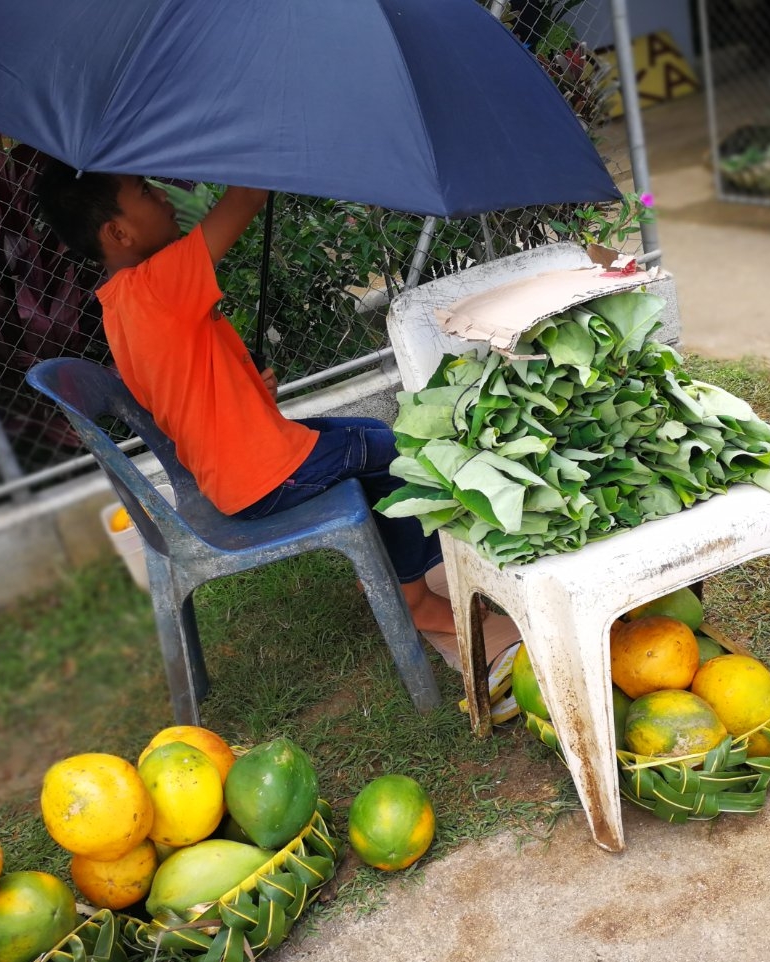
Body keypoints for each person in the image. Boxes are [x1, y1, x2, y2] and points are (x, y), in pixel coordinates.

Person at [31, 162, 456, 635]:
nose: (166, 195)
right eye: (145, 192)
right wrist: (262, 145)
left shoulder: (122, 303)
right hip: (268, 477)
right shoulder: (158, 283)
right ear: (117, 232)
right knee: (402, 456)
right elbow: (248, 197)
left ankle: (388, 571)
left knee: (373, 435)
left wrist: (252, 394)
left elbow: (181, 392)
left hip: (238, 474)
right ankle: (414, 599)